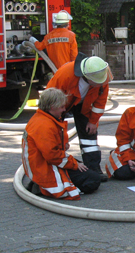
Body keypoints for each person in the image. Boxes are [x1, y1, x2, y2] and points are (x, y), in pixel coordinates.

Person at [21, 88, 100, 200]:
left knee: (88, 173)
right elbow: (53, 156)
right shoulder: (44, 125)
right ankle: (42, 187)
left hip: (43, 163)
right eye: (62, 106)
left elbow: (54, 148)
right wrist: (74, 164)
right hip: (45, 167)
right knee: (92, 180)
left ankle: (40, 184)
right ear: (52, 107)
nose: (64, 109)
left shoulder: (44, 119)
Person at [47, 53, 112, 182]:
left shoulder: (101, 77)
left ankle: (93, 169)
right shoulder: (65, 75)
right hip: (58, 106)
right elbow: (49, 99)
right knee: (55, 136)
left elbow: (100, 102)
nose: (100, 85)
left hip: (83, 105)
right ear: (87, 77)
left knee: (90, 138)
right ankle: (56, 168)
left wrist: (93, 121)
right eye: (97, 83)